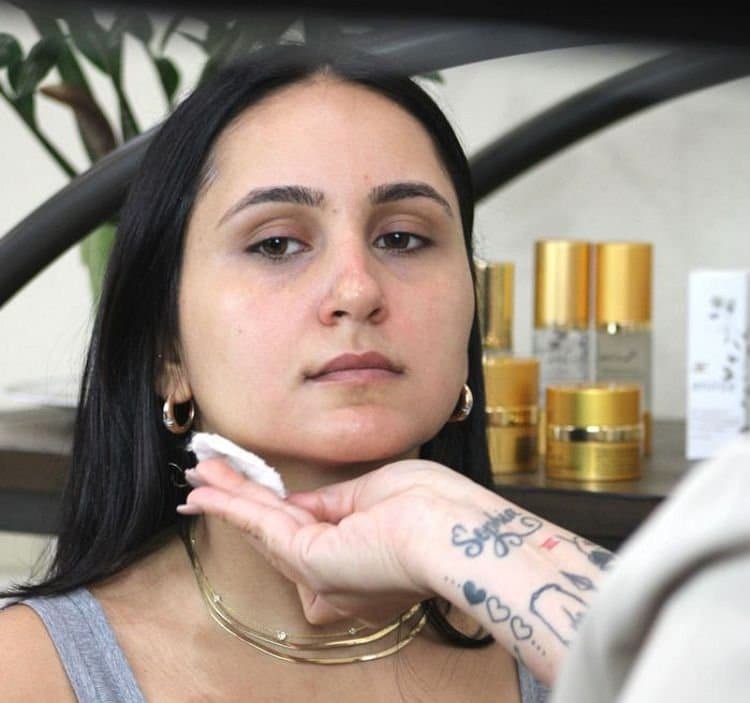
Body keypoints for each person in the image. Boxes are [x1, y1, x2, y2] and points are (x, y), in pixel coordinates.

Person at [0, 42, 615, 702]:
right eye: (276, 244)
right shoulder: (31, 672)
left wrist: (449, 535)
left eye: (403, 237)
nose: (357, 289)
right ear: (166, 351)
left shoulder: (557, 640)